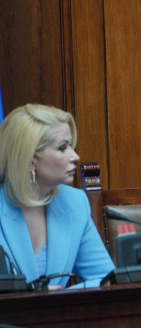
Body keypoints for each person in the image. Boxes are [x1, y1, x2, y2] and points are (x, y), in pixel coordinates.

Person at [0, 104, 114, 289]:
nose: (75, 156)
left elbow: (104, 279)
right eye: (62, 148)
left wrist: (57, 298)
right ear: (30, 159)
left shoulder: (74, 203)